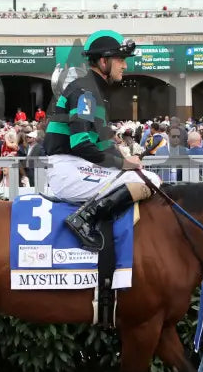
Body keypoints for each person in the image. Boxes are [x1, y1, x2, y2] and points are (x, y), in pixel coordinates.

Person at [42, 30, 161, 249]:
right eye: (120, 60)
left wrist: (127, 164)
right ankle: (83, 219)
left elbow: (103, 145)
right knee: (149, 180)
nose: (125, 65)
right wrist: (124, 163)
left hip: (76, 166)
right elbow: (81, 144)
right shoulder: (85, 91)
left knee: (142, 176)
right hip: (68, 169)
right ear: (103, 61)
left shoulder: (94, 91)